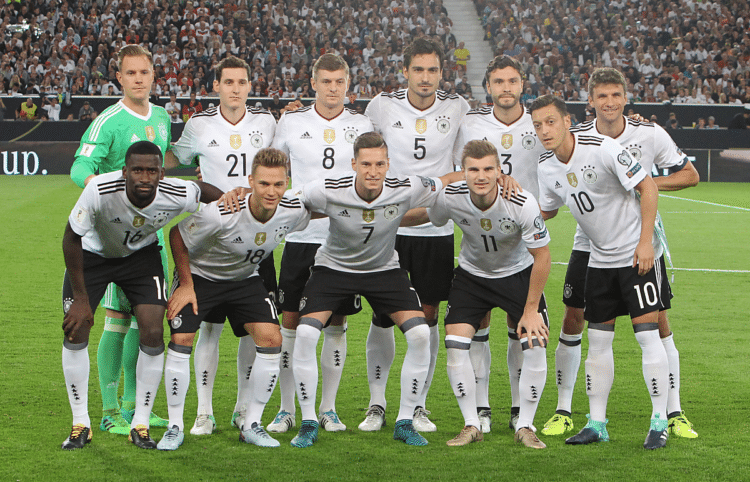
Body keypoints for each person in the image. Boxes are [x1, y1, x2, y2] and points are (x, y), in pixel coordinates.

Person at [540, 68, 699, 441]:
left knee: (655, 325)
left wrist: (640, 186)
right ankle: (572, 412)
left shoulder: (646, 134)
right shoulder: (574, 140)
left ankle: (669, 414)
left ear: (626, 98)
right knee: (578, 320)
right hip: (592, 245)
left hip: (637, 240)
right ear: (590, 101)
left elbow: (687, 175)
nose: (609, 103)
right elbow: (549, 203)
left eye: (616, 95)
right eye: (602, 96)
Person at [288, 131, 462, 448]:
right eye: (366, 164)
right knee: (306, 334)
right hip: (333, 269)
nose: (373, 171)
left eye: (379, 164)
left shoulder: (407, 188)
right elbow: (290, 201)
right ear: (354, 163)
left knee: (421, 334)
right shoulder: (327, 189)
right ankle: (309, 421)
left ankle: (406, 421)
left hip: (383, 270)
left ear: (388, 165)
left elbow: (443, 182)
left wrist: (481, 174)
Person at [60, 141, 223, 450]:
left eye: (151, 171)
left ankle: (141, 424)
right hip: (93, 256)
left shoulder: (176, 192)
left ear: (162, 173)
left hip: (140, 258)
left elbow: (204, 191)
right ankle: (80, 423)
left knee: (151, 330)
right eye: (137, 170)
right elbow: (71, 239)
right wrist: (81, 298)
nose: (144, 178)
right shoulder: (100, 191)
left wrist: (233, 202)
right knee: (76, 329)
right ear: (124, 172)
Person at [160, 148, 312, 450]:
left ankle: (252, 423)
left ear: (287, 183)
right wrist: (186, 285)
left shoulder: (293, 210)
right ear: (250, 181)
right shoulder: (222, 213)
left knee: (271, 338)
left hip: (245, 279)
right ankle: (174, 427)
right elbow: (177, 234)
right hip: (202, 277)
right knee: (183, 337)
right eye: (264, 184)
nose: (271, 192)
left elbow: (322, 208)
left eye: (278, 185)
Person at [403, 140, 551, 448]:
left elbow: (543, 257)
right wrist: (386, 218)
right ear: (463, 172)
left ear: (499, 171)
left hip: (518, 275)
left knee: (534, 343)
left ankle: (525, 424)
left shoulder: (521, 201)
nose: (480, 176)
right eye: (473, 169)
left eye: (487, 169)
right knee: (455, 344)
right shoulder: (450, 198)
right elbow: (428, 216)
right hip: (472, 277)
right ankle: (471, 424)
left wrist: (531, 309)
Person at [165, 55, 279, 436]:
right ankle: (204, 411)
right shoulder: (198, 125)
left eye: (241, 81)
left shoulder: (267, 123)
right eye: (228, 81)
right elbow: (172, 158)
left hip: (256, 237)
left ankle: (244, 407)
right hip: (210, 238)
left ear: (250, 85)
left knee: (253, 329)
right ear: (216, 86)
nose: (235, 88)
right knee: (208, 329)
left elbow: (282, 164)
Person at [362, 37, 470, 433]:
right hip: (388, 228)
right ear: (405, 71)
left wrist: (435, 184)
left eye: (433, 70)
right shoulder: (380, 106)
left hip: (433, 229)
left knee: (426, 316)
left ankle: (419, 405)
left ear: (442, 72)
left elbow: (466, 164)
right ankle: (376, 403)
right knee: (382, 316)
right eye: (419, 70)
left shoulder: (458, 108)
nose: (426, 78)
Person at [268, 53, 373, 434]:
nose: (333, 88)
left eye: (339, 81)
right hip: (300, 236)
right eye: (326, 81)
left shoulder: (362, 124)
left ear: (348, 84)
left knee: (336, 323)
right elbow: (275, 168)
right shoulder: (291, 122)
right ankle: (286, 409)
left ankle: (328, 408)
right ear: (313, 83)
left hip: (345, 239)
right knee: (290, 323)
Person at [70, 45, 172, 436]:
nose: (139, 79)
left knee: (143, 321)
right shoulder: (108, 121)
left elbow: (164, 159)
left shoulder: (161, 117)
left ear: (152, 75)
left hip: (149, 234)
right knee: (116, 319)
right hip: (111, 237)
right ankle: (109, 410)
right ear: (120, 78)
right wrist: (100, 186)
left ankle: (133, 405)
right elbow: (82, 165)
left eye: (145, 72)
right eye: (131, 73)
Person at [454, 55, 548, 434]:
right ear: (487, 87)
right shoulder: (472, 124)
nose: (505, 87)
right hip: (480, 240)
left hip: (526, 240)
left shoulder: (539, 121)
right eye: (498, 81)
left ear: (522, 84)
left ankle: (515, 408)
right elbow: (461, 169)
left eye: (512, 81)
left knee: (521, 327)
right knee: (478, 325)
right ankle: (482, 409)